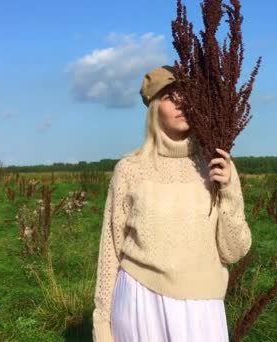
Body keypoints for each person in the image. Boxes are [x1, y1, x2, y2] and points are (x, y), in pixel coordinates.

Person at [92, 65, 252, 342]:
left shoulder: (217, 166)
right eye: (169, 96)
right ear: (154, 107)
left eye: (188, 94)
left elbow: (233, 251)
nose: (181, 103)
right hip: (139, 300)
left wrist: (227, 190)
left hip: (202, 310)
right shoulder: (130, 169)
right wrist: (102, 323)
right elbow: (110, 249)